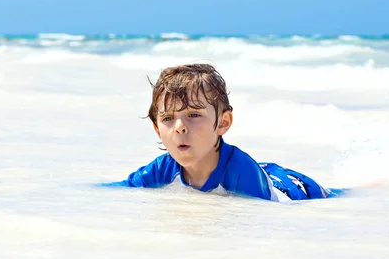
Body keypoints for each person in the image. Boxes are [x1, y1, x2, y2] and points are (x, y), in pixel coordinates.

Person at [123, 63, 345, 202]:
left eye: (194, 115)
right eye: (168, 119)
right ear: (157, 129)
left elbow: (258, 221)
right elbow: (120, 190)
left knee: (340, 195)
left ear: (223, 122)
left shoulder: (241, 173)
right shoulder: (163, 168)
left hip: (290, 187)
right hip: (265, 171)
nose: (180, 127)